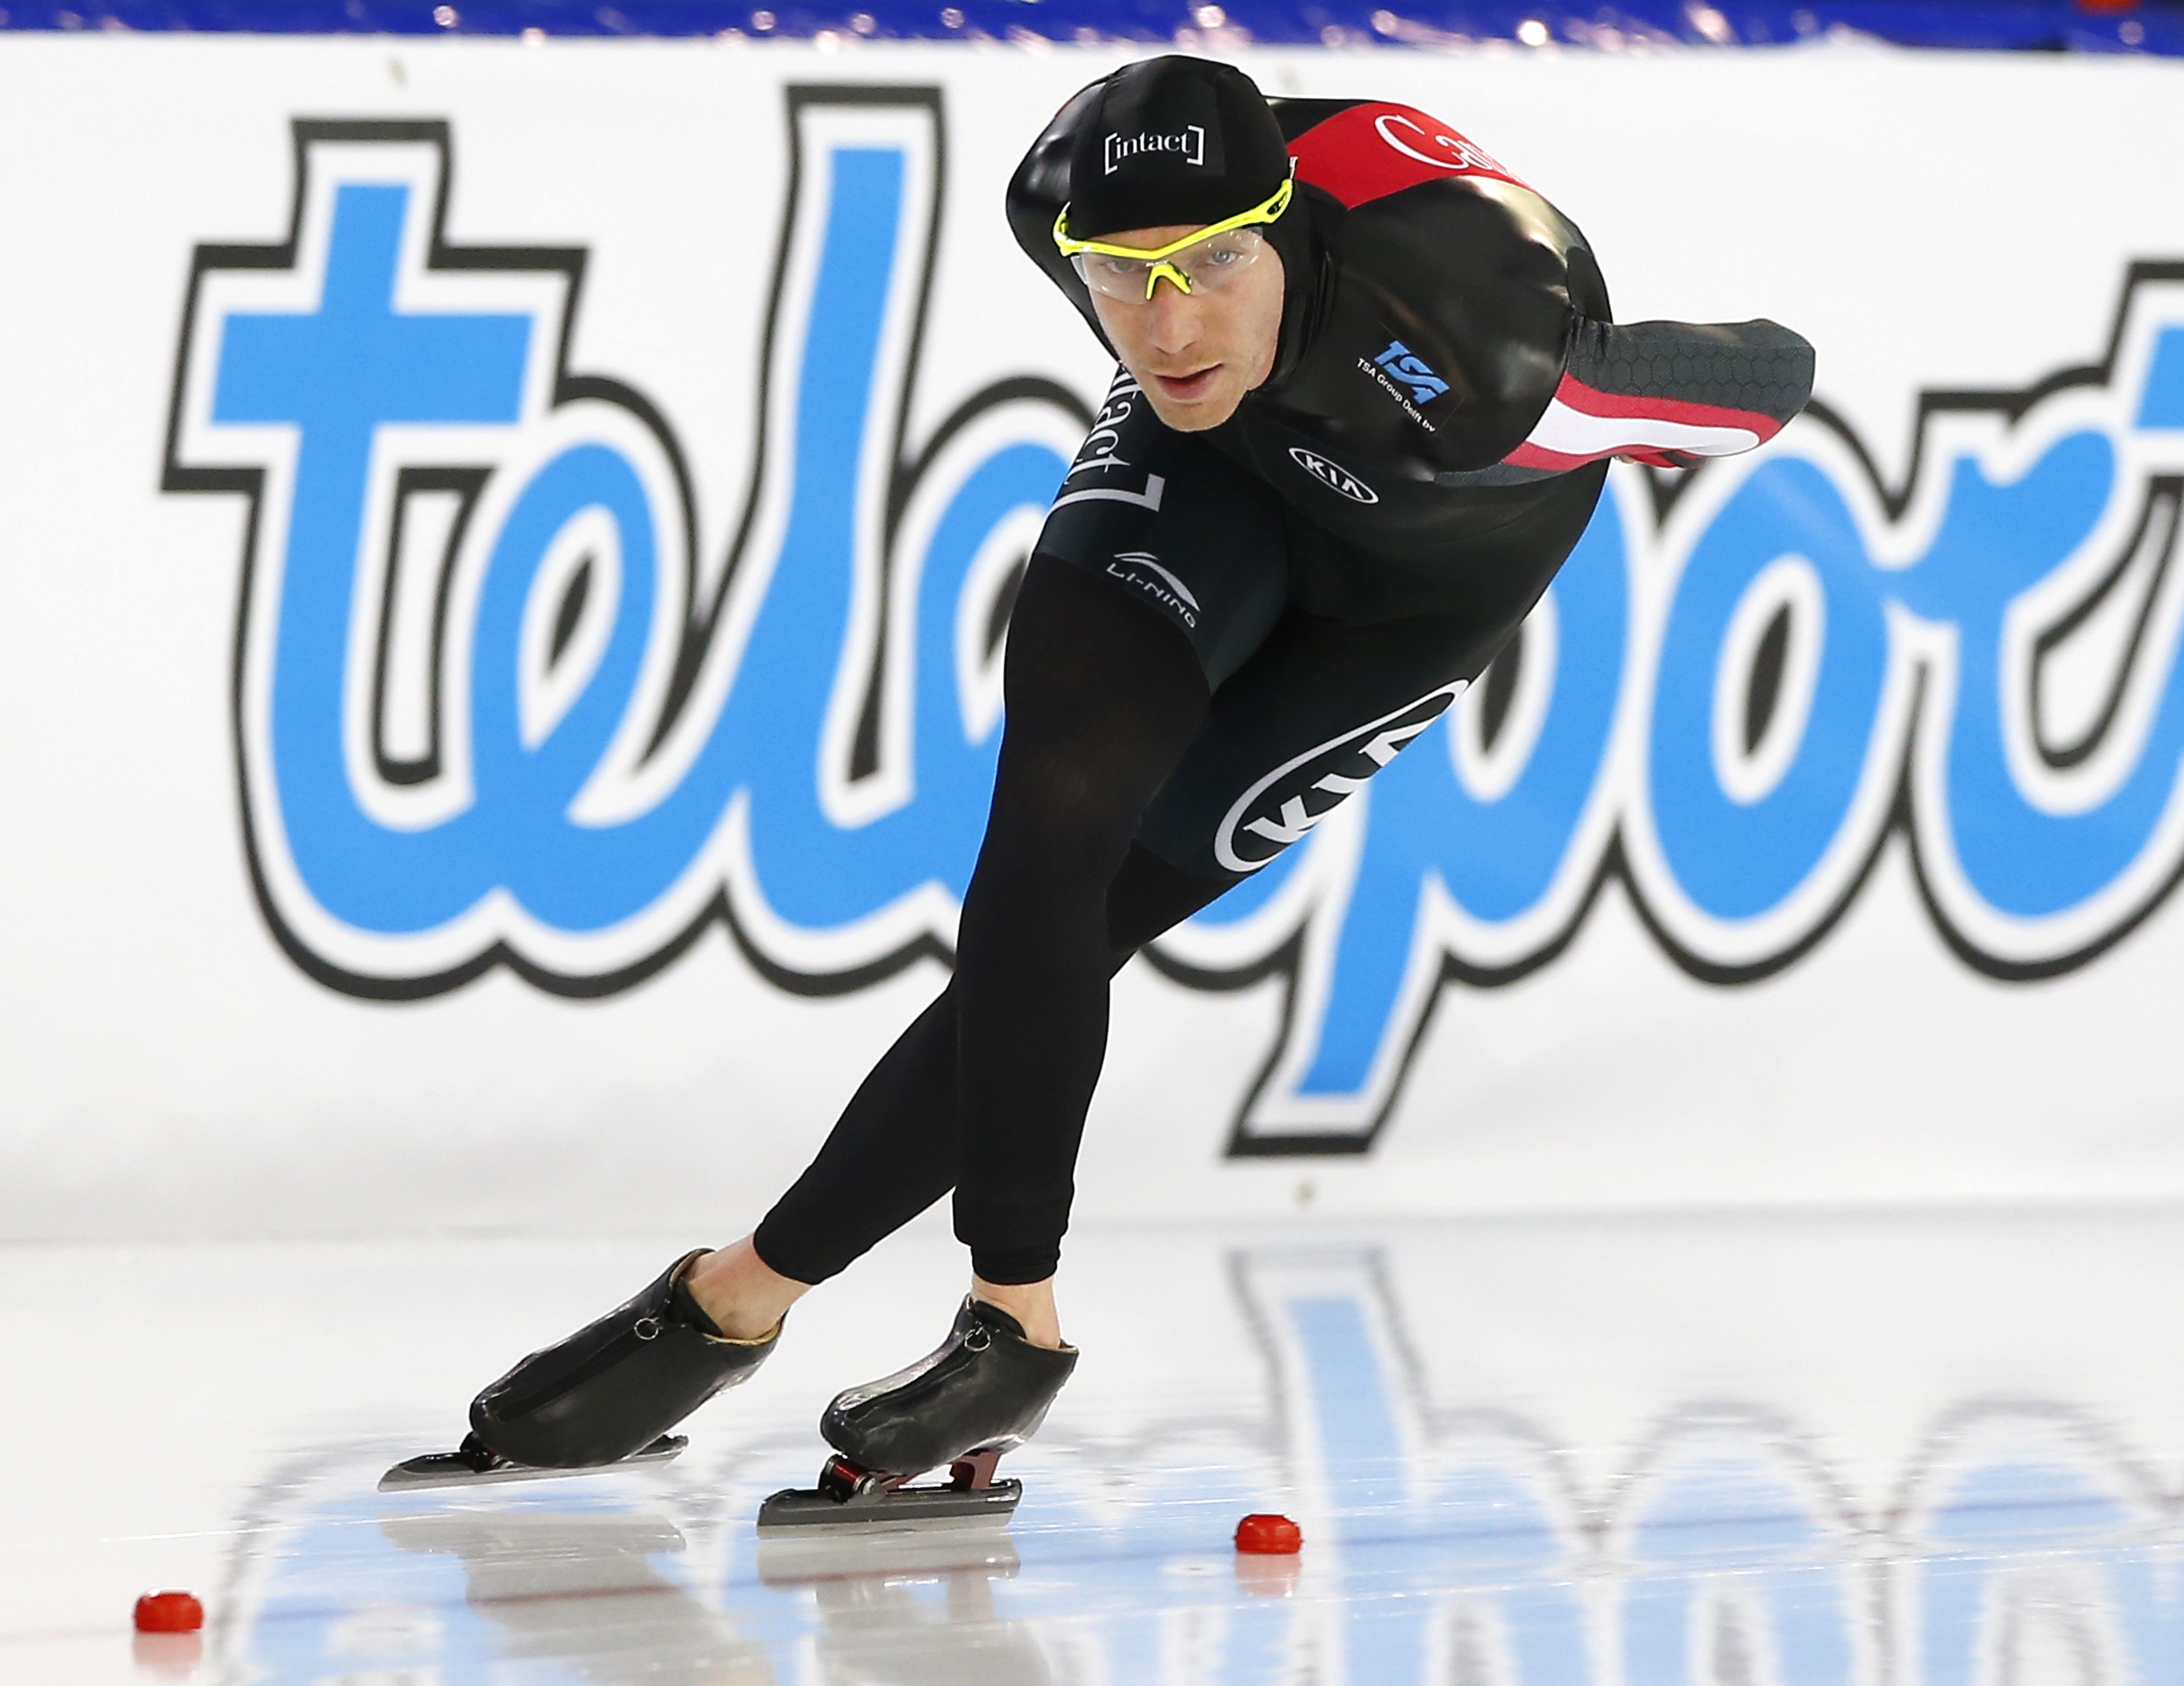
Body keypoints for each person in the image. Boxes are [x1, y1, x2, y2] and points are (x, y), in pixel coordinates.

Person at [449, 54, 1813, 1502]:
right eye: (1122, 275)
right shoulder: (1059, 210)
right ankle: (988, 1317)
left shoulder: (1498, 357)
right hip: (1209, 473)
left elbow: (1767, 374)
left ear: (1283, 226)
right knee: (1049, 831)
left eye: (1213, 266)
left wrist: (1651, 410)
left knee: (1095, 914)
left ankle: (743, 1293)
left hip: (1413, 598)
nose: (1165, 319)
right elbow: (1162, 309)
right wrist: (1182, 323)